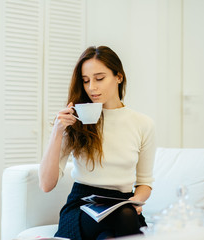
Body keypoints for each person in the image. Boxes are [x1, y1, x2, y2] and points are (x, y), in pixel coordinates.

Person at [39, 46, 156, 240]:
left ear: (119, 77)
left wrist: (136, 201)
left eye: (99, 78)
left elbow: (144, 183)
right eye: (86, 81)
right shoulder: (75, 121)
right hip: (82, 207)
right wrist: (57, 132)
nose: (92, 87)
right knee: (123, 218)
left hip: (123, 206)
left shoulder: (143, 124)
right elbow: (45, 184)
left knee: (114, 228)